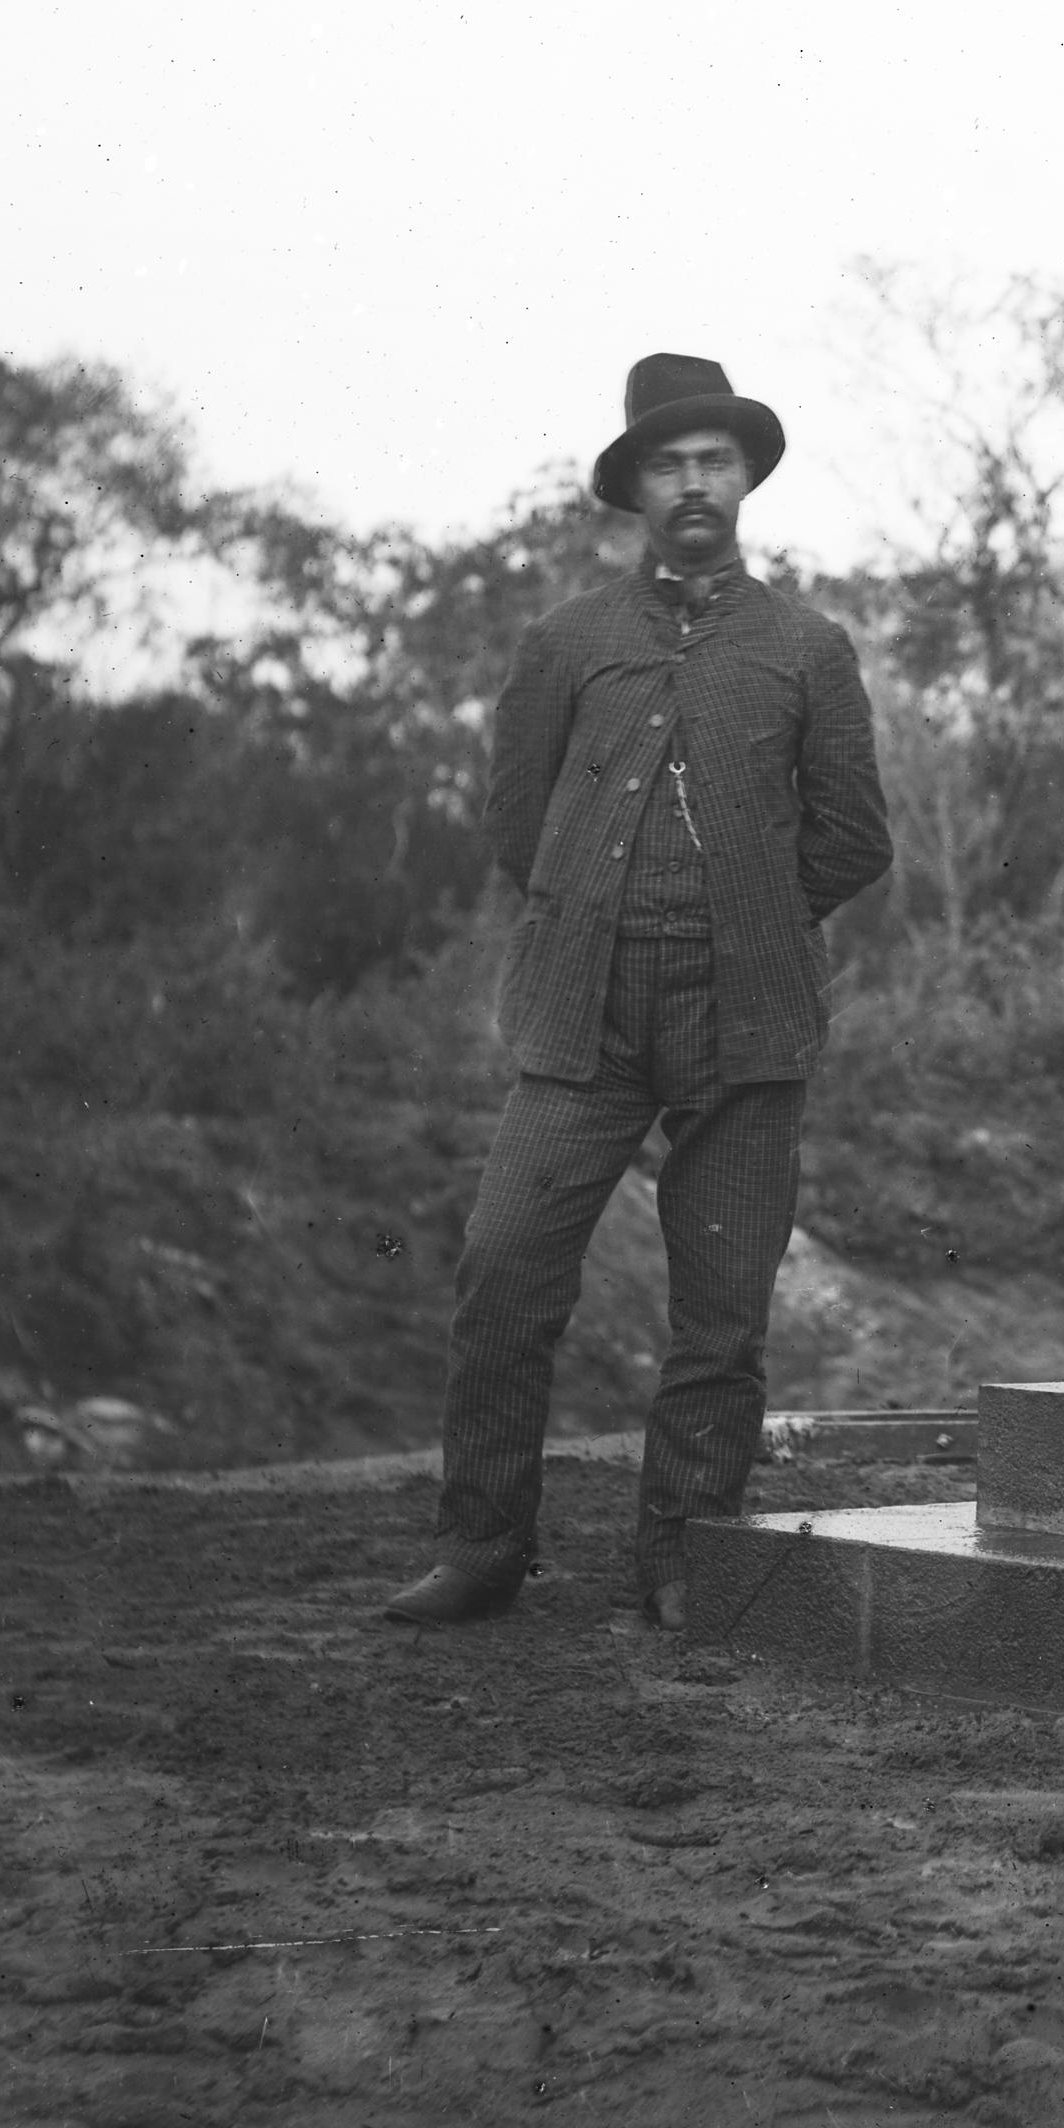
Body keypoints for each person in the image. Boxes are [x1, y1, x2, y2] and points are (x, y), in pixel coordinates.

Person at [382, 353, 895, 1633]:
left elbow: (853, 838)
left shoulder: (807, 649)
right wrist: (598, 919)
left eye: (715, 459)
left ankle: (682, 1554)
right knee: (503, 1270)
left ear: (746, 478)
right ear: (635, 490)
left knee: (721, 1315)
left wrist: (753, 922)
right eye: (669, 464)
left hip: (746, 1015)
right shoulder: (564, 643)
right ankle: (482, 1544)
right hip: (583, 1012)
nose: (694, 484)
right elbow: (515, 823)